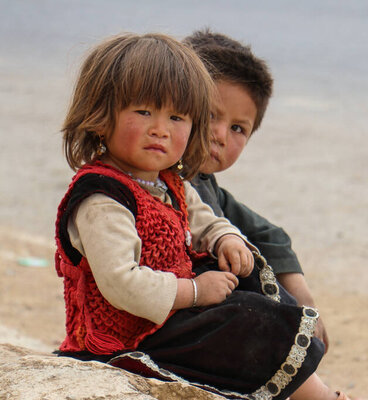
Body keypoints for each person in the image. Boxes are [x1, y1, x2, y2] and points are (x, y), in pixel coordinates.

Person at [54, 32, 351, 399]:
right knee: (243, 321)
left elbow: (206, 218)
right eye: (144, 111)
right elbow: (123, 285)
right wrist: (195, 292)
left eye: (176, 117)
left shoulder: (168, 181)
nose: (160, 129)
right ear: (100, 115)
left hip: (166, 318)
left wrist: (225, 238)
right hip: (128, 336)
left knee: (252, 298)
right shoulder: (102, 198)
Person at [183, 29, 329, 350]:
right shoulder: (163, 182)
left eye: (238, 128)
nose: (220, 135)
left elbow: (268, 235)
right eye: (210, 115)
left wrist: (304, 300)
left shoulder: (206, 185)